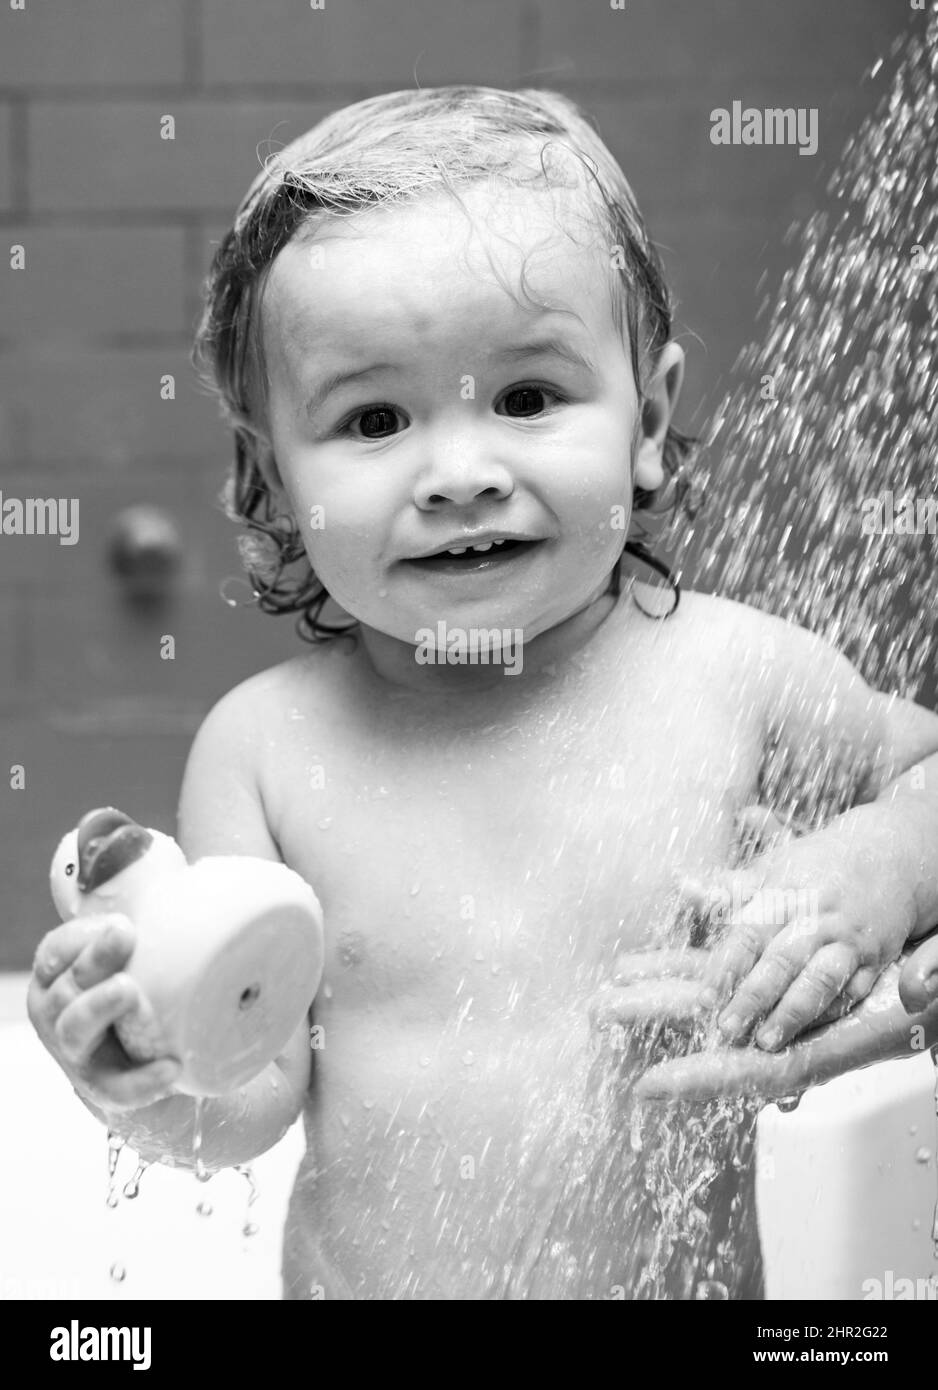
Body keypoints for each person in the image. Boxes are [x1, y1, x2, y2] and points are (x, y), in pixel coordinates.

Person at [26, 87, 938, 1299]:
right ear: (268, 474)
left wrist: (873, 867)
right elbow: (245, 1099)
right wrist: (143, 1070)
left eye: (524, 398)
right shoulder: (265, 750)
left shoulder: (737, 675)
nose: (459, 473)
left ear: (649, 420)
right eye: (373, 417)